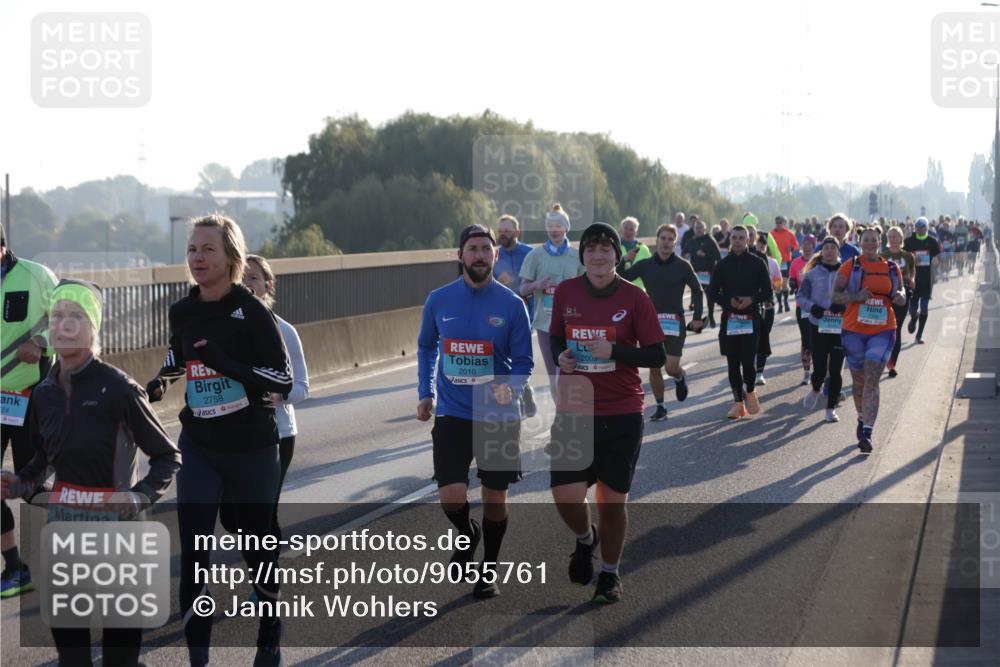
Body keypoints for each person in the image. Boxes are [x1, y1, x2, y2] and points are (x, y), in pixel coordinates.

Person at [2, 279, 181, 667]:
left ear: (93, 328)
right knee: (72, 657)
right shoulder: (45, 393)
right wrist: (18, 483)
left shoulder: (119, 388)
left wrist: (138, 496)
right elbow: (44, 458)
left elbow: (168, 456)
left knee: (120, 658)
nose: (64, 324)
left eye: (76, 316)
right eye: (58, 315)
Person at [146, 214, 292, 667]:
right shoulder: (183, 309)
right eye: (192, 249)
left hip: (251, 447)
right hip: (200, 445)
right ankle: (199, 660)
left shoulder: (251, 311)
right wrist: (160, 380)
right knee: (194, 552)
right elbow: (181, 352)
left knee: (257, 545)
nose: (197, 257)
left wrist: (226, 363)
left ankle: (269, 632)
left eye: (207, 249)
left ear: (232, 255)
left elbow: (282, 379)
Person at [548, 222, 665, 603]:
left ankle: (610, 574)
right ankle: (586, 539)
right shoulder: (567, 292)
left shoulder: (635, 298)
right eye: (591, 248)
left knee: (611, 502)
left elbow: (656, 354)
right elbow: (555, 337)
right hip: (575, 407)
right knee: (566, 495)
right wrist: (562, 356)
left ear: (617, 254)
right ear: (582, 255)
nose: (598, 255)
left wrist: (615, 352)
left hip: (622, 410)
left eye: (606, 248)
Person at [417, 224, 532, 599]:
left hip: (497, 414)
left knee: (495, 498)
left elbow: (524, 362)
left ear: (495, 256)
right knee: (450, 495)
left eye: (486, 249)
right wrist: (426, 392)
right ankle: (467, 534)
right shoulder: (439, 299)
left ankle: (490, 568)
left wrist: (511, 388)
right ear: (460, 255)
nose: (480, 255)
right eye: (473, 249)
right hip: (452, 411)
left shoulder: (512, 305)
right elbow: (426, 347)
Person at [0, 223, 57, 598]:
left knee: (30, 485)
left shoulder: (36, 276)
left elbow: (71, 319)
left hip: (28, 395)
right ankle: (15, 567)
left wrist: (41, 341)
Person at [242, 254, 310, 540]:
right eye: (240, 278)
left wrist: (278, 395)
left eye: (253, 278)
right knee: (236, 517)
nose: (246, 285)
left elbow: (302, 387)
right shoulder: (222, 331)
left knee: (264, 511)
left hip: (278, 433)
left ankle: (267, 579)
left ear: (268, 286)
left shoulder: (285, 331)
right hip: (236, 433)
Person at [617, 223, 704, 421]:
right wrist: (624, 261)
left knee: (671, 367)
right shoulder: (646, 265)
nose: (666, 242)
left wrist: (698, 317)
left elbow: (698, 290)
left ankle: (680, 377)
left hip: (675, 322)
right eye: (662, 238)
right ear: (656, 241)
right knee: (654, 366)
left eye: (670, 239)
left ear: (675, 243)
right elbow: (621, 278)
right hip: (651, 322)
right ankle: (660, 406)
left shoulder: (682, 265)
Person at [831, 227, 906, 453]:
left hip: (883, 329)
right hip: (854, 330)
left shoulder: (892, 268)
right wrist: (856, 296)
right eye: (867, 240)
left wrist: (899, 296)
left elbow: (901, 294)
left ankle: (867, 432)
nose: (871, 243)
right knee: (859, 381)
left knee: (872, 377)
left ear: (879, 242)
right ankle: (862, 417)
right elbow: (835, 296)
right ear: (860, 242)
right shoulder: (850, 266)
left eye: (875, 240)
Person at [519, 204, 585, 402]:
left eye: (558, 225)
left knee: (568, 375)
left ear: (565, 227)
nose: (554, 229)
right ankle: (561, 415)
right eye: (550, 225)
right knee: (555, 377)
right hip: (545, 325)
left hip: (572, 324)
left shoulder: (577, 256)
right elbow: (522, 289)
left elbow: (588, 288)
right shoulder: (535, 256)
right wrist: (537, 284)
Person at [706, 226, 773, 419]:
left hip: (751, 318)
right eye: (734, 237)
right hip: (730, 319)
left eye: (741, 238)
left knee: (747, 361)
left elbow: (767, 292)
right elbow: (712, 293)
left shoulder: (758, 262)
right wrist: (728, 301)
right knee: (733, 363)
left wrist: (751, 299)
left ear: (748, 240)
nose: (737, 241)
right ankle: (738, 403)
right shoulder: (722, 264)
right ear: (730, 240)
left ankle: (750, 391)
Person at [797, 238, 847, 422]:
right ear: (821, 251)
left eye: (833, 247)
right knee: (819, 370)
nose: (829, 250)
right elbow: (800, 297)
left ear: (838, 251)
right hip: (818, 325)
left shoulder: (846, 272)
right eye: (826, 247)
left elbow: (853, 295)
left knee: (835, 370)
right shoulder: (811, 274)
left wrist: (843, 306)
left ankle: (830, 409)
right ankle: (816, 388)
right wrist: (813, 307)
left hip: (839, 327)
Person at [494, 215, 537, 416]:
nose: (503, 234)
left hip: (526, 313)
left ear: (517, 232)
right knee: (505, 357)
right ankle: (524, 390)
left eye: (507, 231)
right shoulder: (493, 255)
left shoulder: (530, 254)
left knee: (520, 356)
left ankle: (519, 392)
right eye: (500, 231)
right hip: (498, 316)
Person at [880, 227, 916, 378]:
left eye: (896, 236)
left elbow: (912, 271)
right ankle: (882, 359)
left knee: (896, 329)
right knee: (884, 329)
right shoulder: (883, 255)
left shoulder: (908, 256)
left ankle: (892, 364)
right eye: (891, 236)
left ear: (901, 239)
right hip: (886, 295)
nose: (893, 239)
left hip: (902, 294)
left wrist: (912, 280)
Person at [902, 217, 941, 345]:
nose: (920, 229)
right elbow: (903, 257)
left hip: (927, 280)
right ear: (915, 228)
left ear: (927, 228)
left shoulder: (932, 242)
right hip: (913, 279)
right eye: (918, 227)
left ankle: (919, 335)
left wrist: (936, 261)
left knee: (924, 307)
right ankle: (914, 317)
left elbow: (937, 257)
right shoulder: (909, 241)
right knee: (912, 308)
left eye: (923, 227)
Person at [751, 231, 781, 385]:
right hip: (753, 306)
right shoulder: (750, 261)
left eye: (764, 245)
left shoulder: (773, 263)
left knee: (763, 338)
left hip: (768, 306)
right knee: (752, 339)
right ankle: (751, 369)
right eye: (759, 244)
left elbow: (778, 284)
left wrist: (770, 286)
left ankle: (759, 372)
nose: (761, 247)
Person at [789, 234, 817, 385]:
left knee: (817, 339)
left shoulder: (819, 262)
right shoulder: (795, 263)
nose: (806, 246)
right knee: (806, 338)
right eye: (804, 243)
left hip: (819, 306)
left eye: (809, 244)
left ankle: (820, 371)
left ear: (814, 246)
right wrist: (793, 284)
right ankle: (807, 372)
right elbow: (793, 279)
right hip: (803, 307)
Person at [687, 218, 722, 328]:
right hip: (695, 273)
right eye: (696, 228)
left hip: (708, 273)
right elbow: (684, 251)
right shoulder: (692, 241)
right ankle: (697, 319)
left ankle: (710, 316)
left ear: (705, 229)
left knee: (709, 296)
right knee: (697, 296)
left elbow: (718, 256)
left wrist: (705, 255)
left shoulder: (710, 240)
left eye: (700, 228)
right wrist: (686, 254)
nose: (698, 230)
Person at [770, 216, 800, 313]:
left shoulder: (789, 234)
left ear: (785, 223)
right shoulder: (771, 234)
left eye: (780, 222)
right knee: (777, 285)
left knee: (784, 284)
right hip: (775, 262)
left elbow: (796, 245)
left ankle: (786, 302)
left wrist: (791, 248)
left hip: (785, 261)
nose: (778, 224)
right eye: (777, 222)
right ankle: (780, 305)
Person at [618, 216, 652, 291]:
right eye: (626, 228)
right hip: (619, 289)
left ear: (636, 232)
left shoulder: (644, 249)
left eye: (631, 229)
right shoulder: (614, 247)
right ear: (621, 230)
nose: (628, 232)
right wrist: (624, 259)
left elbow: (650, 270)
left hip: (639, 291)